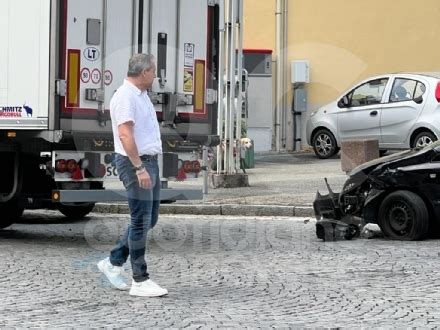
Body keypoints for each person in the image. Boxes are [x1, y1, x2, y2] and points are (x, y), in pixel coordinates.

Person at [97, 54, 167, 297]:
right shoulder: (125, 97)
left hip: (149, 161)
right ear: (144, 72)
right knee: (140, 220)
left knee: (151, 219)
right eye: (154, 71)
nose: (155, 76)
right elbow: (126, 135)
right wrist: (139, 168)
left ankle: (113, 262)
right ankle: (140, 279)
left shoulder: (141, 95)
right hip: (135, 163)